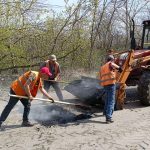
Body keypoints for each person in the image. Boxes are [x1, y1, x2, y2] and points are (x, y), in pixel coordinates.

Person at [99, 55, 122, 124]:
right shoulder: (111, 63)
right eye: (114, 60)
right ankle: (108, 118)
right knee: (111, 101)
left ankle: (105, 112)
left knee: (107, 100)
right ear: (112, 60)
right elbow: (116, 66)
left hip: (105, 85)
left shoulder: (102, 67)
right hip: (111, 84)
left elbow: (101, 76)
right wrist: (120, 68)